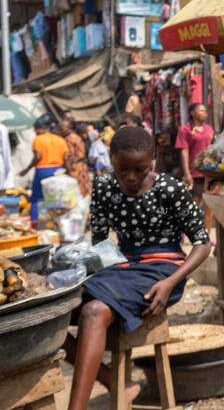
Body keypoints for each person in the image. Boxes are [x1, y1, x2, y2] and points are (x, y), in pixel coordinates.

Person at [64, 127, 211, 409]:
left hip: (163, 269)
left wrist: (171, 283)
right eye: (123, 169)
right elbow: (100, 244)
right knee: (53, 314)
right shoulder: (104, 187)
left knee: (93, 312)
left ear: (153, 161)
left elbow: (203, 245)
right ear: (111, 160)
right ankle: (114, 383)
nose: (131, 177)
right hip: (123, 267)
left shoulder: (170, 188)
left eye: (140, 169)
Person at [18, 115, 69, 223]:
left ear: (40, 128)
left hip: (42, 170)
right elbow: (66, 157)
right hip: (58, 171)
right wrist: (67, 171)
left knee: (36, 199)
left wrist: (27, 169)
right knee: (56, 197)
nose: (35, 132)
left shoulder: (38, 139)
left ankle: (35, 222)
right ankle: (57, 222)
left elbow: (37, 157)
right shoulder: (60, 139)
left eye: (35, 129)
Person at [175, 103, 214, 222]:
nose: (205, 113)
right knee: (194, 204)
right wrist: (187, 173)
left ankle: (206, 232)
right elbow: (184, 152)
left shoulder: (209, 129)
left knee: (209, 206)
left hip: (209, 171)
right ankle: (187, 229)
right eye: (201, 110)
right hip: (195, 172)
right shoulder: (185, 130)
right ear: (192, 113)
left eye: (205, 110)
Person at [58, 120, 92, 197]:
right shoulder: (74, 137)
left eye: (61, 128)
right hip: (79, 167)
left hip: (76, 168)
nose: (60, 131)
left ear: (67, 128)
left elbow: (74, 155)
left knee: (78, 190)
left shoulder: (70, 138)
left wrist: (69, 166)